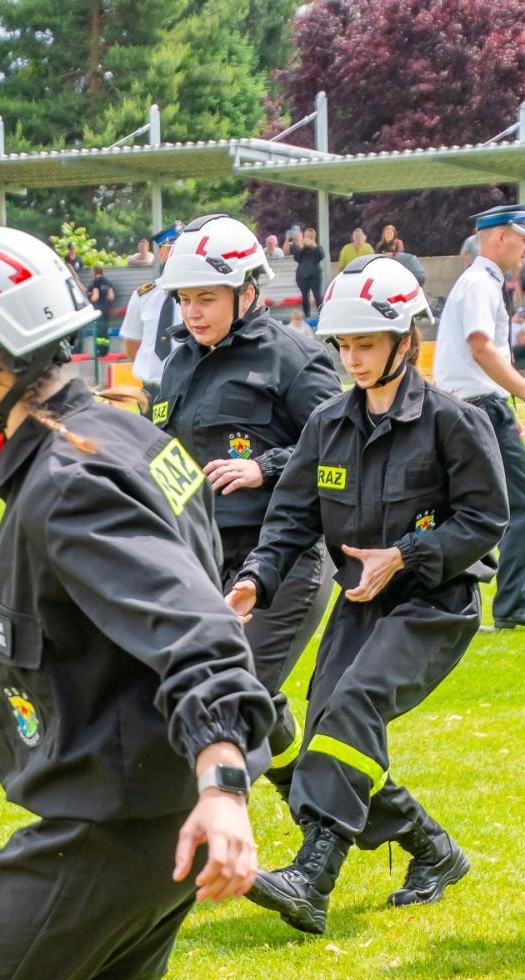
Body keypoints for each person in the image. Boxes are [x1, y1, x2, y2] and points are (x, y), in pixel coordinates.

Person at [0, 223, 273, 980]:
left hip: (112, 821)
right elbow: (142, 583)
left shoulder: (68, 480)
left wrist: (223, 781)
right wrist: (7, 630)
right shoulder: (127, 438)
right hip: (147, 809)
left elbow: (190, 624)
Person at [228, 254, 507, 934]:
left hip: (435, 602)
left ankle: (312, 875)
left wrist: (408, 554)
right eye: (344, 344)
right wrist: (253, 580)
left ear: (406, 340)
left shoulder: (454, 421)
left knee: (351, 710)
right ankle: (430, 847)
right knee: (334, 734)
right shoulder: (325, 424)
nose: (352, 357)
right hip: (360, 601)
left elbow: (485, 519)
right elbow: (291, 516)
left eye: (366, 343)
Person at [154, 212, 342, 817]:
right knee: (209, 693)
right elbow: (170, 457)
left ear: (249, 290)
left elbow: (343, 444)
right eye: (184, 299)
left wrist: (268, 465)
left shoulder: (295, 357)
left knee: (229, 699)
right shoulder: (177, 362)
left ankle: (197, 834)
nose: (193, 312)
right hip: (203, 558)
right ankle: (379, 823)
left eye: (206, 297)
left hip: (283, 562)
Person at [433, 202, 525, 629]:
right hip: (479, 408)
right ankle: (512, 602)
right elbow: (481, 346)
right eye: (524, 239)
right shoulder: (480, 284)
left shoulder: (477, 282)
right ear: (500, 238)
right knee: (521, 503)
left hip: (475, 407)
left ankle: (465, 589)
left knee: (476, 505)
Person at [119, 223, 183, 397]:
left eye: (182, 248)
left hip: (187, 386)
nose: (176, 254)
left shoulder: (201, 295)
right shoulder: (143, 296)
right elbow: (132, 344)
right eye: (171, 249)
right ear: (160, 254)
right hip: (152, 389)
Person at [82, 265, 116, 361]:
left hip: (98, 310)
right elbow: (111, 296)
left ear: (94, 272)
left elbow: (95, 297)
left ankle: (99, 351)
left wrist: (90, 297)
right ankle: (105, 351)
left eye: (91, 271)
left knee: (98, 332)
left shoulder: (95, 283)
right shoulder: (107, 282)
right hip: (106, 310)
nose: (90, 273)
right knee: (104, 332)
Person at [293, 226, 326, 318]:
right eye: (307, 236)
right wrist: (302, 247)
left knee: (317, 296)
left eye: (310, 237)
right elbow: (297, 258)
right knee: (305, 297)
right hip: (302, 275)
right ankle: (306, 317)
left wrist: (314, 245)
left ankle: (322, 316)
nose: (308, 239)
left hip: (315, 275)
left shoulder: (317, 247)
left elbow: (321, 256)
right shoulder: (300, 246)